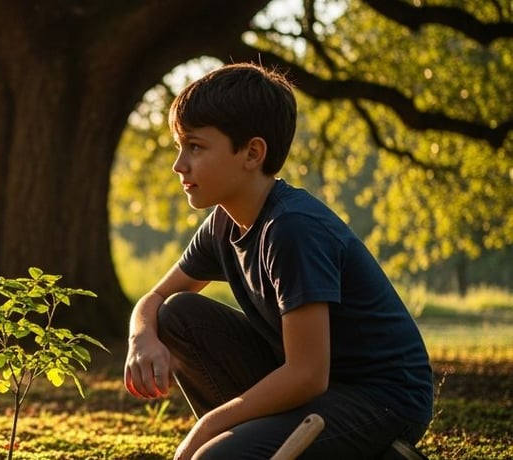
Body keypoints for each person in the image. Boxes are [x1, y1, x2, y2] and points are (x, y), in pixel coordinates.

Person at [123, 63, 433, 459]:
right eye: (179, 147)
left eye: (195, 147)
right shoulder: (223, 222)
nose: (179, 164)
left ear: (252, 153)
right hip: (313, 386)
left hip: (380, 398)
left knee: (215, 457)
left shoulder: (291, 228)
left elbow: (307, 375)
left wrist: (209, 425)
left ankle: (374, 449)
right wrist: (141, 337)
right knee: (176, 314)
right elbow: (156, 299)